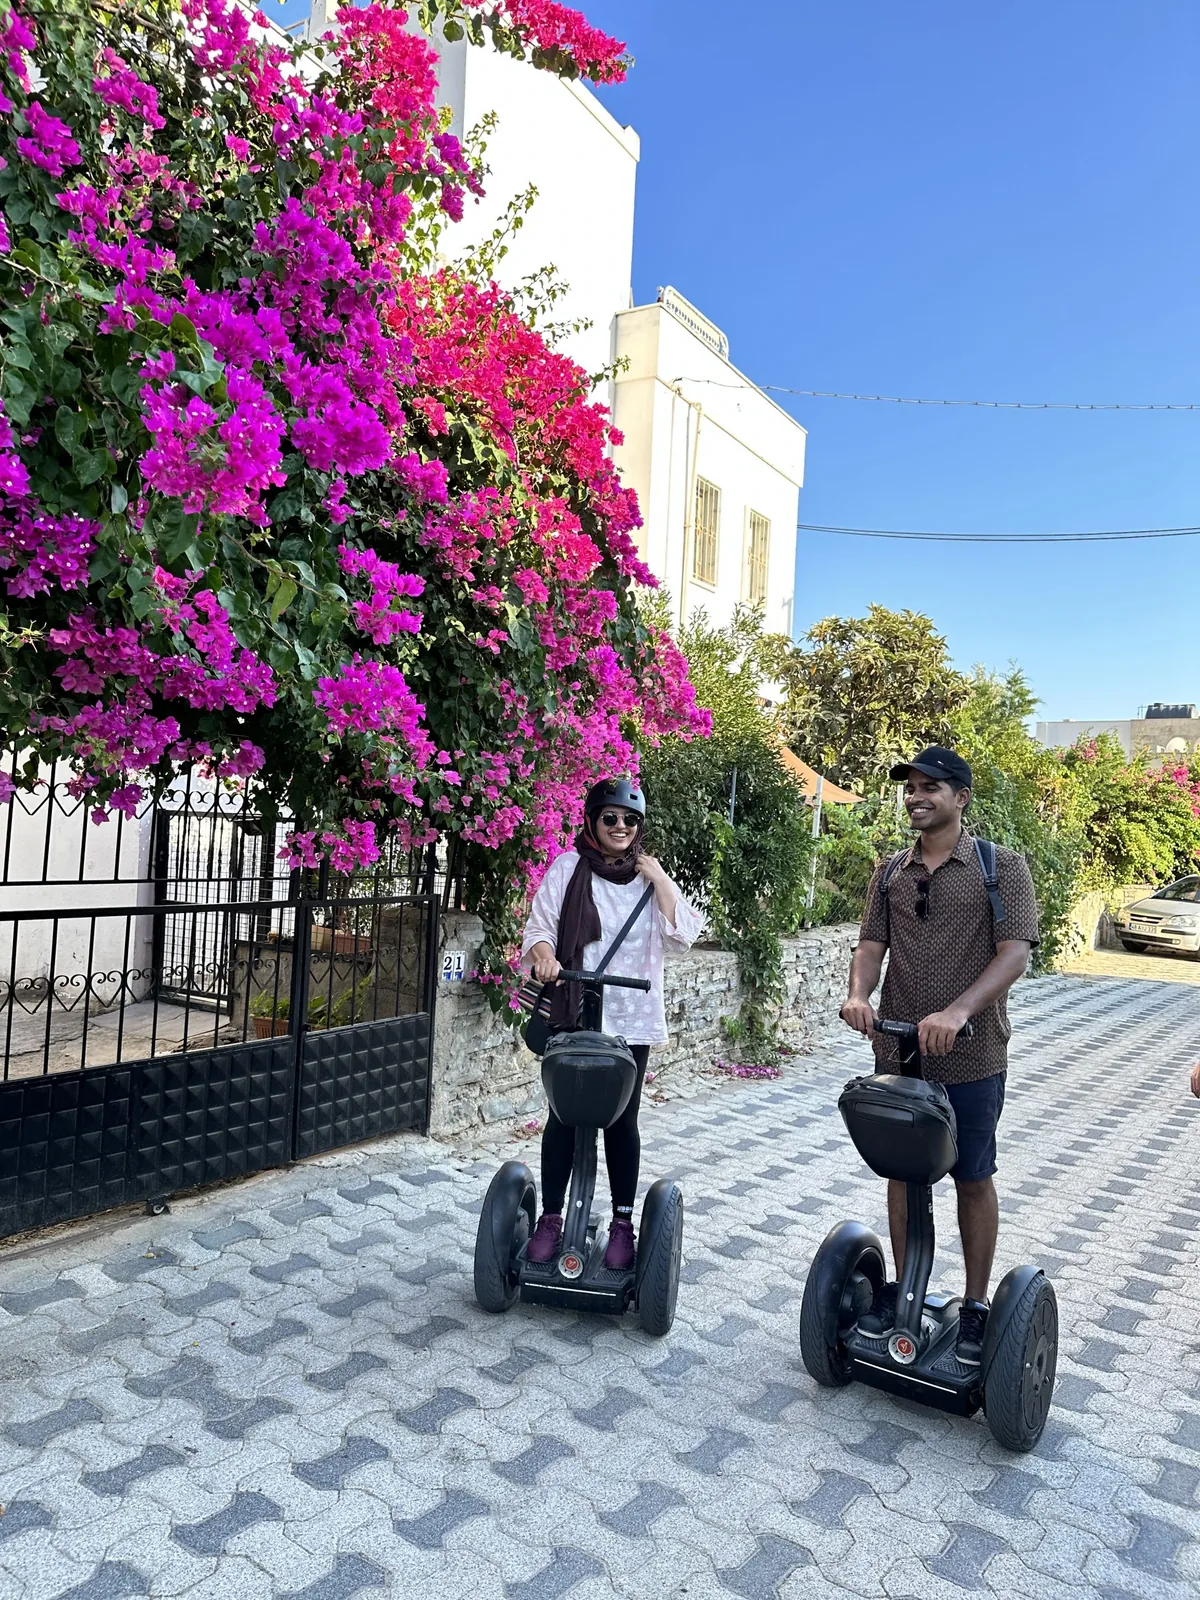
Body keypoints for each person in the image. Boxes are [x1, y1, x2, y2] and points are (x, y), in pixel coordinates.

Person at [840, 747, 1040, 1366]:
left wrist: (959, 1012)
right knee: (903, 1171)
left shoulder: (1000, 868)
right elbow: (872, 945)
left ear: (961, 798)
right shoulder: (890, 872)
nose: (917, 796)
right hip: (899, 1050)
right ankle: (905, 1288)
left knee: (972, 1176)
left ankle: (976, 1307)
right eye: (911, 787)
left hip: (973, 1055)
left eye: (932, 787)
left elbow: (1015, 953)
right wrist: (858, 994)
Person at [521, 777, 701, 1270]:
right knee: (562, 1117)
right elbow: (538, 929)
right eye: (611, 818)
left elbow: (684, 935)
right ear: (592, 822)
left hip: (630, 1021)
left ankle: (623, 1222)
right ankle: (552, 1218)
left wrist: (661, 877)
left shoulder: (649, 877)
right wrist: (543, 957)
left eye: (630, 820)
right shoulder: (568, 868)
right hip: (574, 1011)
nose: (620, 826)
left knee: (622, 1121)